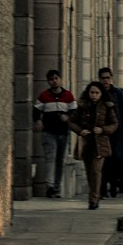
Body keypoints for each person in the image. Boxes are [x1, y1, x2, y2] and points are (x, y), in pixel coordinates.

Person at [69, 82, 118, 209]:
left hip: (100, 144)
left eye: (97, 93)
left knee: (96, 171)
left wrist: (103, 129)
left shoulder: (107, 107)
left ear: (101, 94)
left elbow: (114, 124)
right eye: (92, 92)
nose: (94, 95)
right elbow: (71, 121)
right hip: (86, 142)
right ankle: (94, 194)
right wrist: (80, 131)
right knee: (89, 172)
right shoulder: (82, 106)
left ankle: (94, 199)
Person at [33, 69, 76, 198]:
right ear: (48, 82)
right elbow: (35, 110)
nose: (54, 81)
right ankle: (50, 186)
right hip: (49, 132)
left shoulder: (68, 96)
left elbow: (75, 113)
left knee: (60, 160)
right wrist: (38, 120)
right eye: (51, 79)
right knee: (50, 158)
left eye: (56, 78)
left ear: (60, 79)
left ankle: (57, 187)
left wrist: (68, 117)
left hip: (63, 132)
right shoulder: (44, 96)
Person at [97, 67, 123, 197]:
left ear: (111, 78)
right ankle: (103, 189)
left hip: (116, 131)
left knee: (117, 158)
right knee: (103, 160)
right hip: (101, 131)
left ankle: (114, 185)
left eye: (107, 78)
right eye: (103, 78)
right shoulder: (97, 92)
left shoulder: (117, 93)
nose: (105, 80)